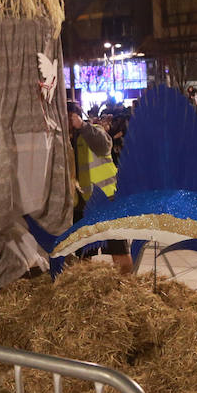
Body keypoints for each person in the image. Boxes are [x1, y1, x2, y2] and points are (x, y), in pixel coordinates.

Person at [68, 101, 130, 274]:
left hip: (107, 200)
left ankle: (127, 287)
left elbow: (105, 146)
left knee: (119, 252)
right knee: (84, 255)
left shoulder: (93, 131)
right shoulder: (65, 141)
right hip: (83, 204)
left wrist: (82, 126)